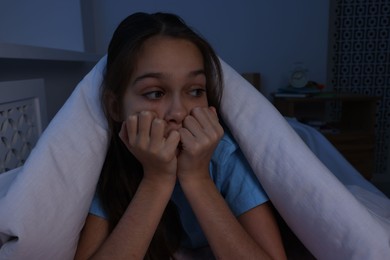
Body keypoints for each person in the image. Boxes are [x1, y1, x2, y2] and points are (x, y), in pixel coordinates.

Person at [74, 12, 286, 260]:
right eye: (155, 93)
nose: (178, 111)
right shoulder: (110, 161)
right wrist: (156, 180)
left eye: (195, 90)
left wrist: (197, 177)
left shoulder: (224, 155)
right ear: (115, 107)